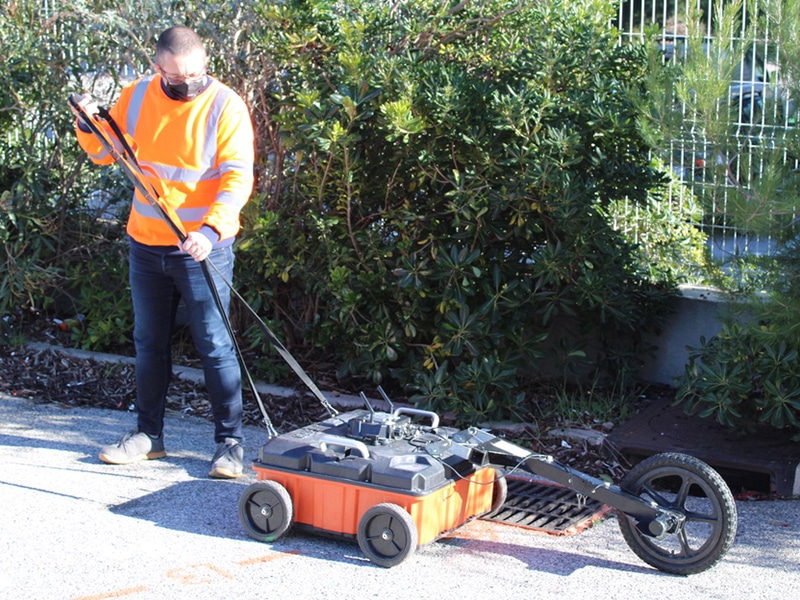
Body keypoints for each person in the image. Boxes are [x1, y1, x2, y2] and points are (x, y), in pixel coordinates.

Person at [71, 26, 255, 479]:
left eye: (195, 73)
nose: (188, 82)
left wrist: (211, 231)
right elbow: (105, 149)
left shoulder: (224, 106)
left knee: (214, 344)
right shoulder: (136, 96)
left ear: (204, 64)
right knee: (149, 343)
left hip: (201, 248)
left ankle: (229, 444)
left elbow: (237, 177)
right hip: (146, 243)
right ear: (158, 69)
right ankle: (148, 436)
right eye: (176, 76)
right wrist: (86, 122)